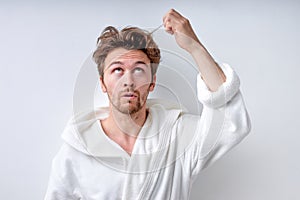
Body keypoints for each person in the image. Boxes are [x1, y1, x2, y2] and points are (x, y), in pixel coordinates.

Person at [44, 9, 251, 200]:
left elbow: (229, 122)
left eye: (139, 69)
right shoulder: (76, 151)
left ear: (152, 83)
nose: (128, 81)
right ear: (102, 83)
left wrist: (194, 46)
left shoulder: (177, 136)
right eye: (117, 70)